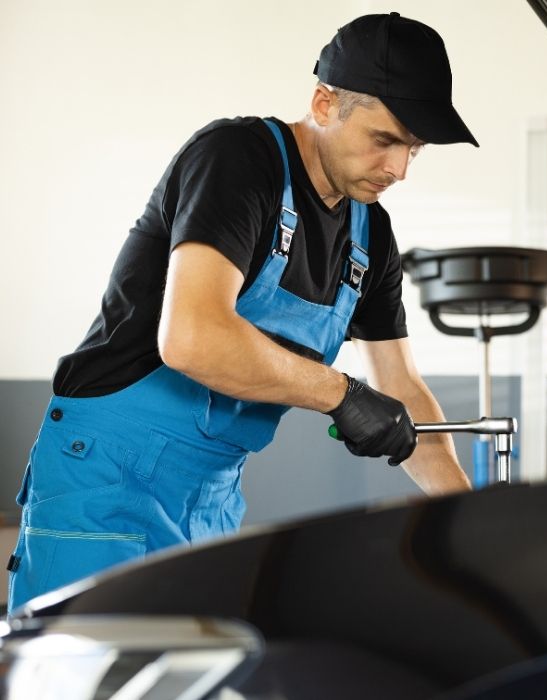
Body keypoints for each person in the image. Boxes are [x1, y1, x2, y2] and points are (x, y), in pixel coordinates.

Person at [7, 12, 475, 612]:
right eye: (385, 140)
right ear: (325, 104)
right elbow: (194, 338)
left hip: (211, 495)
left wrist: (466, 526)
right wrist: (339, 393)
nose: (399, 170)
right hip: (106, 479)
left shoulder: (370, 237)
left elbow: (404, 388)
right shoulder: (237, 160)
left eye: (415, 149)